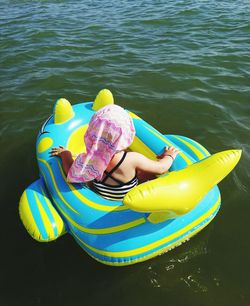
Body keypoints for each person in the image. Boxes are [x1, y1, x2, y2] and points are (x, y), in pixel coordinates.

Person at [50, 104, 180, 200]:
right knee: (145, 173)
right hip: (128, 197)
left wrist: (65, 154)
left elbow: (70, 172)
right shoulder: (132, 159)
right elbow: (161, 168)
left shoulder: (89, 159)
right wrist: (169, 156)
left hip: (102, 196)